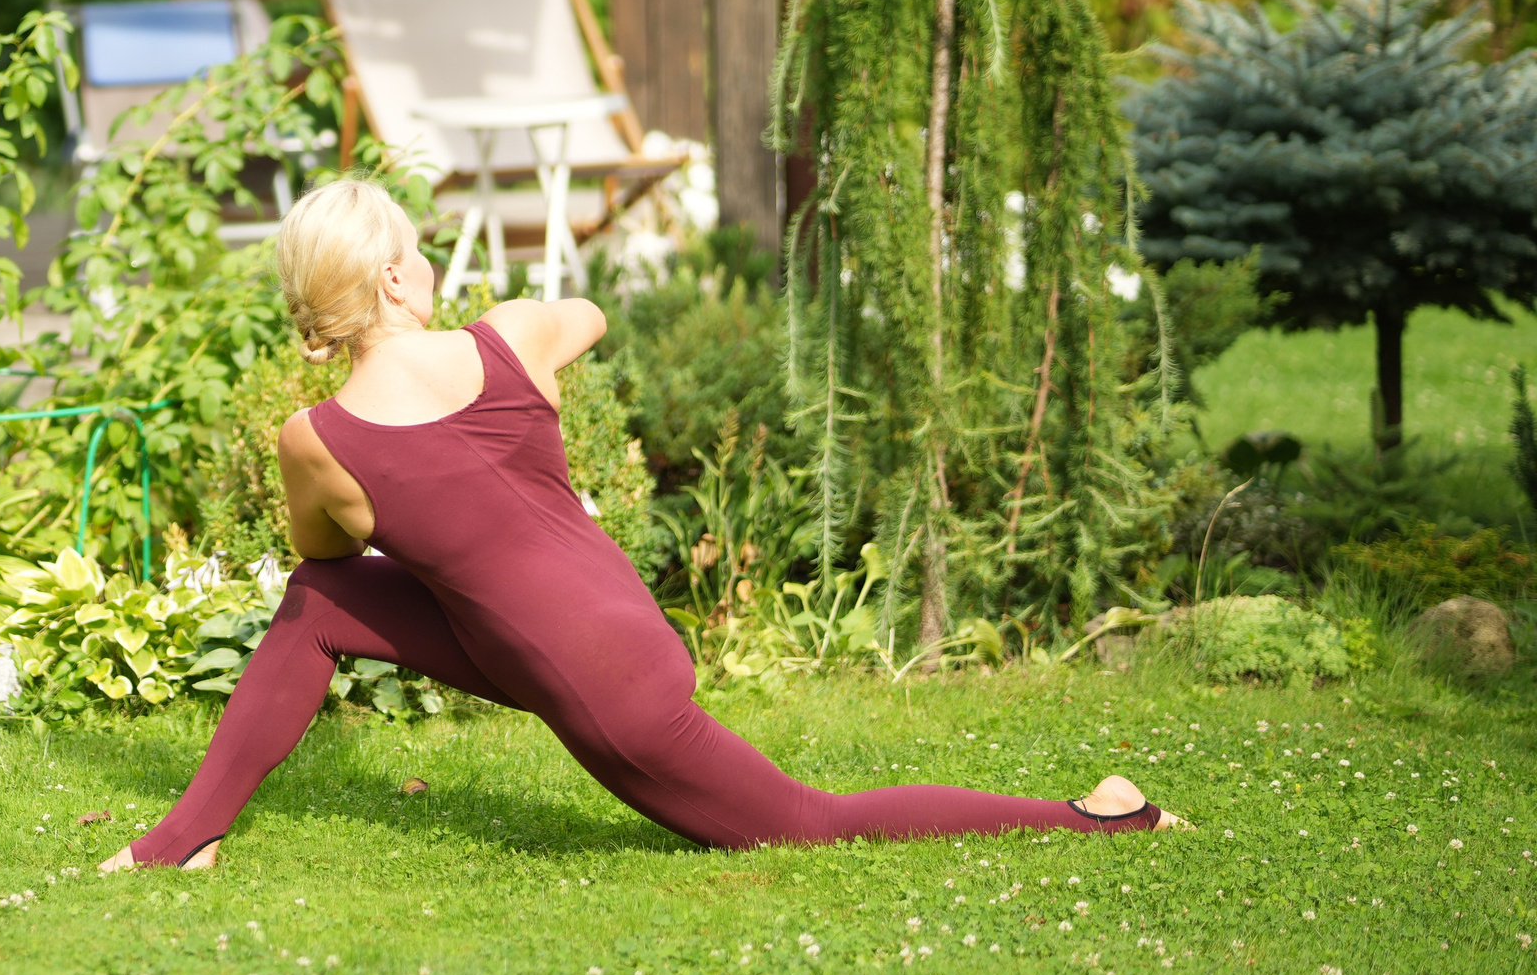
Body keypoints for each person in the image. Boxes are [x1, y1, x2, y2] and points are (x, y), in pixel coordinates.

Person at [102, 179, 1180, 873]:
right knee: (325, 608)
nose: (426, 263)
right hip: (604, 622)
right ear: (394, 276)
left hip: (608, 694)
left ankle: (1100, 817)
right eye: (417, 253)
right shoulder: (515, 335)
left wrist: (422, 505)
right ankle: (186, 837)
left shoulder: (316, 438)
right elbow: (590, 314)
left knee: (807, 823)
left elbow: (328, 552)